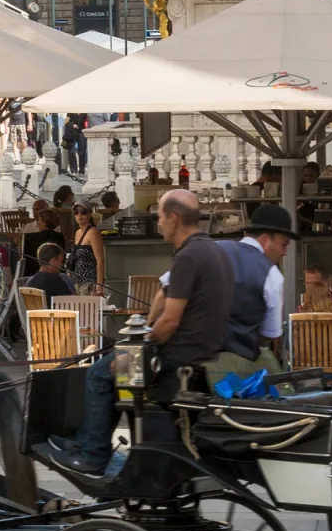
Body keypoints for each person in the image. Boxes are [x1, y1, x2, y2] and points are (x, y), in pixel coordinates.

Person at [57, 190, 231, 474]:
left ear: (173, 219)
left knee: (99, 373)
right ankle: (87, 440)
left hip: (176, 359)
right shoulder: (213, 249)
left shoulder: (189, 257)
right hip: (199, 353)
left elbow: (170, 321)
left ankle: (94, 454)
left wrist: (138, 347)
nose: (159, 224)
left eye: (160, 218)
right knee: (109, 362)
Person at [207, 204, 296, 380]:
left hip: (186, 362)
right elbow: (270, 334)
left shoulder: (208, 251)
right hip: (233, 372)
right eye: (283, 244)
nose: (285, 252)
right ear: (265, 239)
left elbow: (165, 291)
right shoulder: (272, 275)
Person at [67, 203, 106, 293]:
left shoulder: (93, 232)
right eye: (76, 212)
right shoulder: (77, 233)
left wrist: (99, 285)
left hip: (89, 282)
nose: (79, 215)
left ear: (90, 214)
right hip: (76, 282)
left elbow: (100, 260)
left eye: (83, 212)